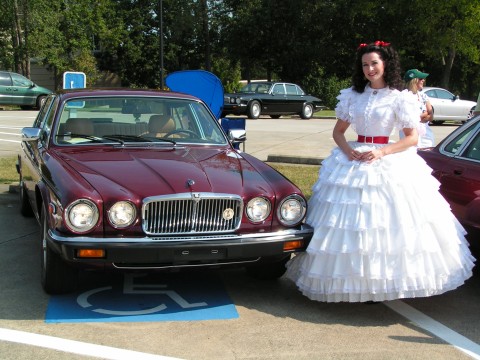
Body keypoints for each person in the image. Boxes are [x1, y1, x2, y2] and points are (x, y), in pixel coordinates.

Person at [285, 41, 475, 303]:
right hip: (352, 160)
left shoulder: (400, 98)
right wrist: (347, 150)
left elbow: (411, 138)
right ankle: (352, 282)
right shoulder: (353, 96)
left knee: (388, 224)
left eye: (374, 63)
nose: (370, 68)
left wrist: (382, 152)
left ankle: (384, 282)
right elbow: (338, 132)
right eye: (365, 64)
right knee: (346, 225)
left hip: (387, 158)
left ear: (386, 64)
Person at [400, 69, 435, 147]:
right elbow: (407, 118)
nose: (423, 80)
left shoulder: (423, 95)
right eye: (420, 78)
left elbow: (431, 115)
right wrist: (424, 114)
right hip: (409, 134)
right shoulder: (403, 96)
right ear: (413, 81)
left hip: (426, 134)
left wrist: (424, 115)